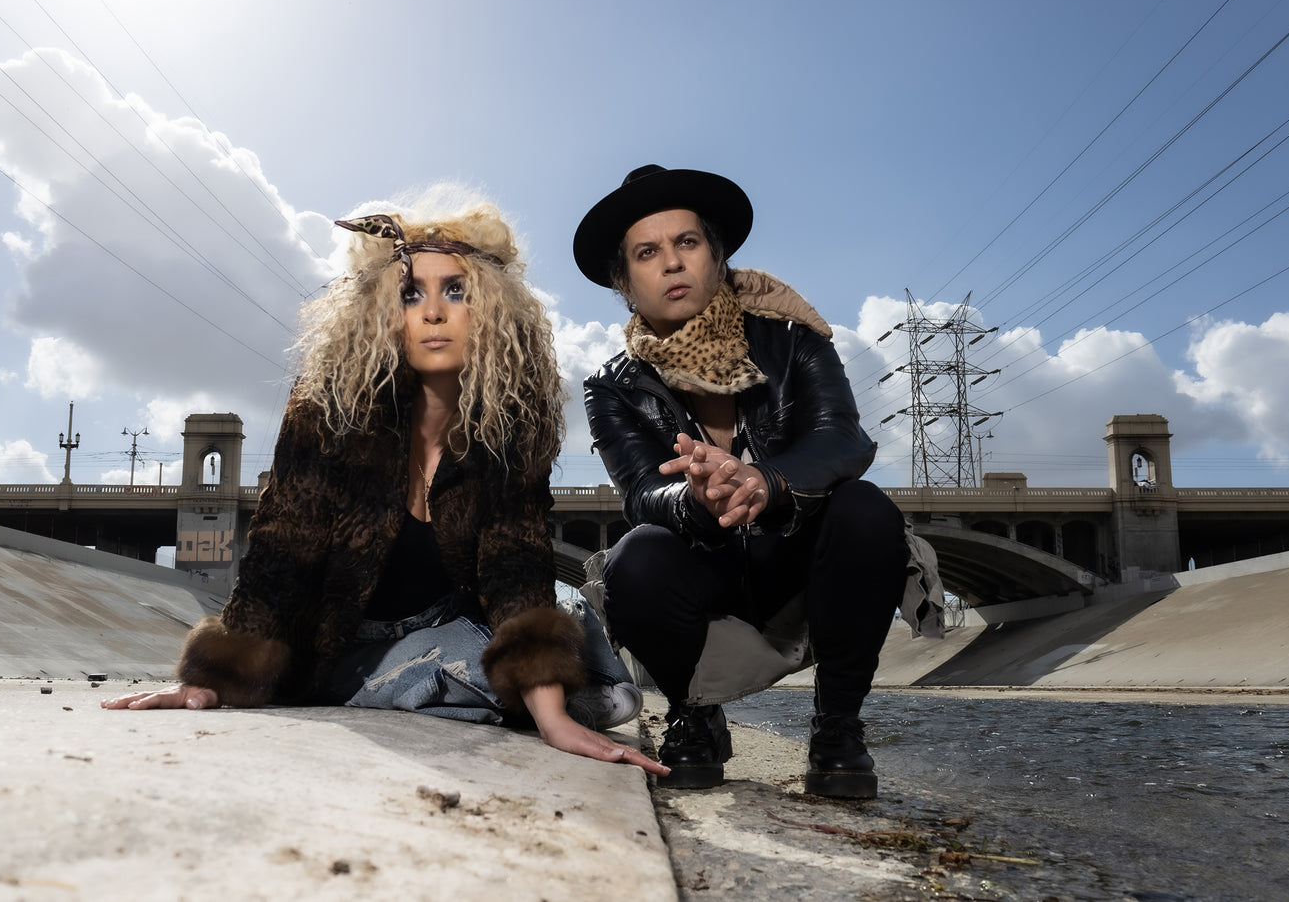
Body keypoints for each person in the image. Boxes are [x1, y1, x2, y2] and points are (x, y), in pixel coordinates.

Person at [106, 197, 665, 776]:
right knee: (540, 679)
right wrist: (214, 684)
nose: (431, 313)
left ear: (493, 311)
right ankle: (413, 681)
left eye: (455, 291)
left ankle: (449, 687)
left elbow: (514, 561)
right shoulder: (328, 409)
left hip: (451, 621)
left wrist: (552, 719)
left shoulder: (510, 424)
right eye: (410, 294)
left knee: (609, 690)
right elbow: (280, 551)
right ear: (380, 312)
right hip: (345, 637)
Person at [574, 165, 941, 796]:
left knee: (865, 511)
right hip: (704, 572)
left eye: (687, 243)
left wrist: (765, 482)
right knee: (635, 558)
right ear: (624, 284)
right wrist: (693, 499)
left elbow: (844, 439)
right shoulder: (612, 386)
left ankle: (836, 729)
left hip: (797, 561)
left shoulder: (794, 342)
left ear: (716, 257)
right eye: (647, 253)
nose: (671, 264)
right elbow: (640, 492)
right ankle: (694, 717)